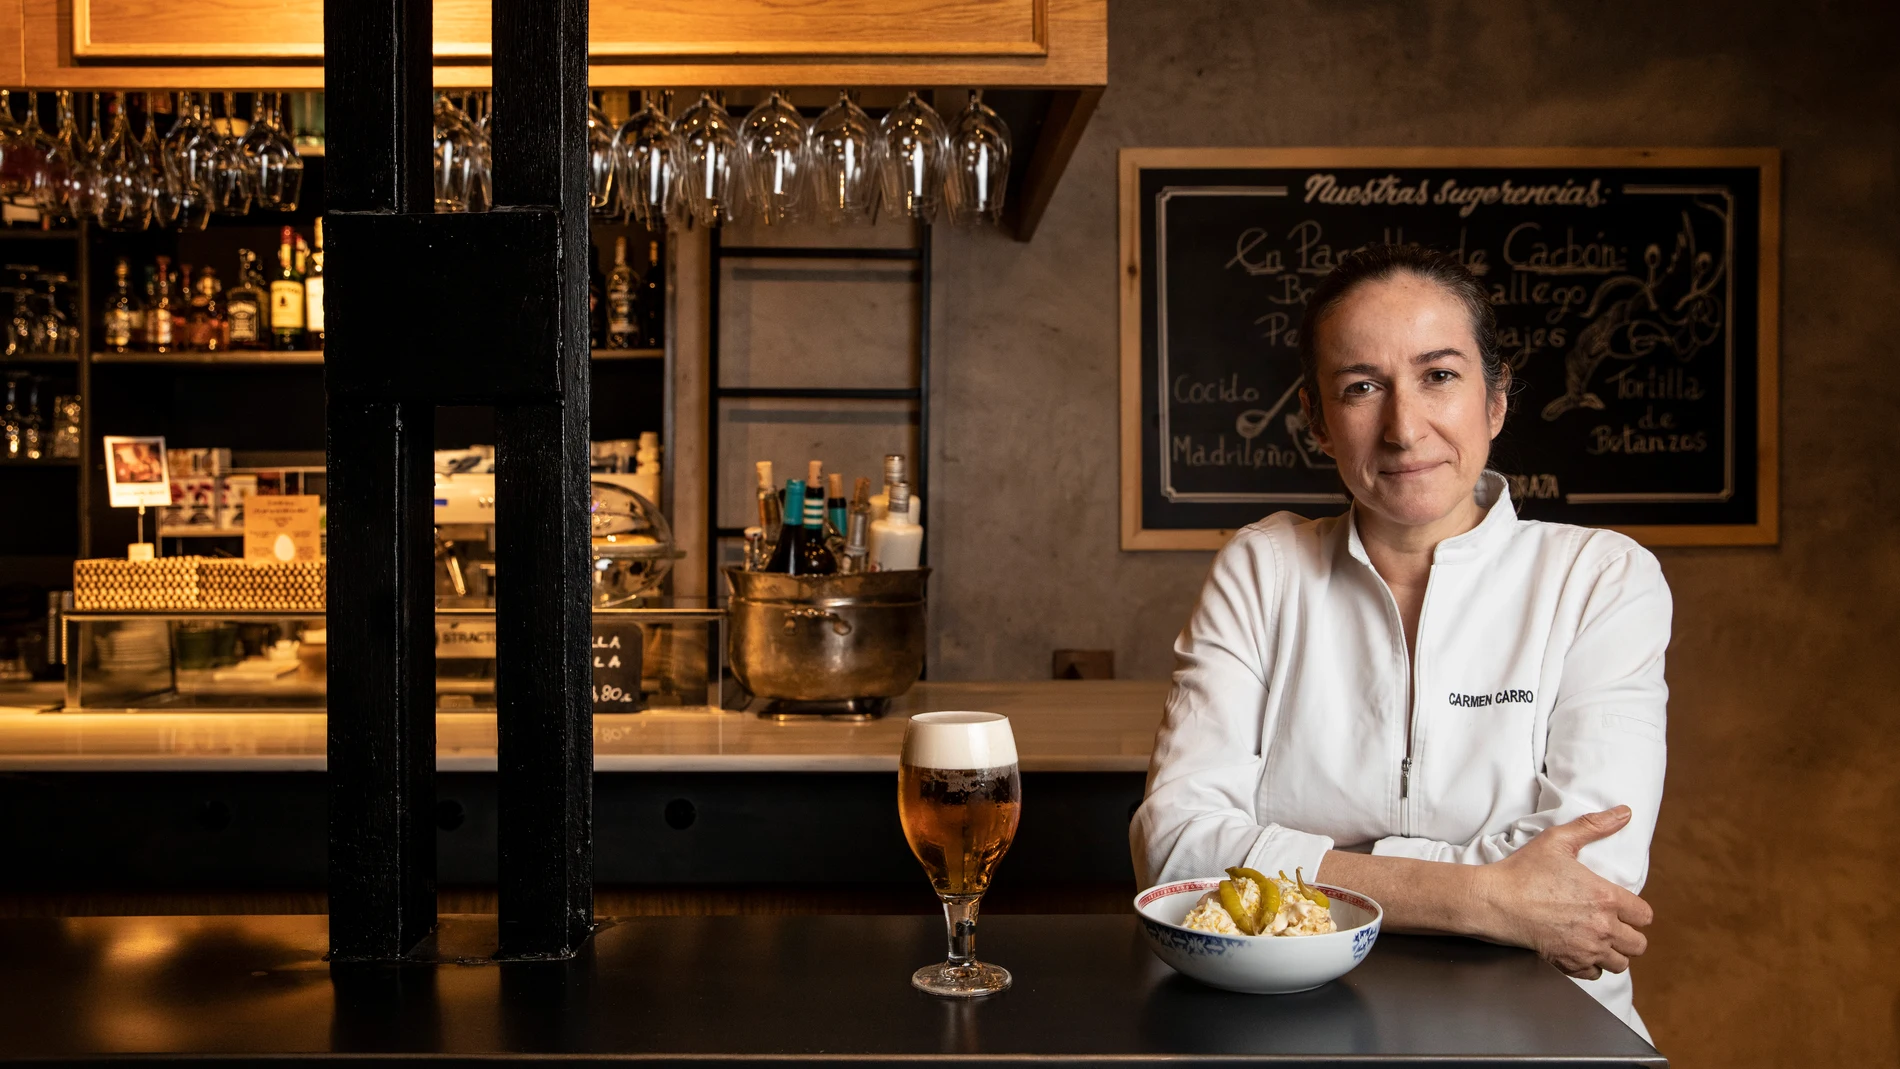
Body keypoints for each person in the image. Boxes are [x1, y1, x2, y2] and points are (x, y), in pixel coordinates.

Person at [1132, 244, 1669, 1040]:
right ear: (1317, 419)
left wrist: (1308, 865)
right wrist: (1487, 898)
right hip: (1293, 1029)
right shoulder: (1262, 569)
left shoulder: (1602, 577)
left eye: (1440, 375)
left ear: (1496, 399)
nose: (1403, 426)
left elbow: (1588, 879)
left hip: (1540, 1030)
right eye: (1361, 387)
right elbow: (1175, 850)